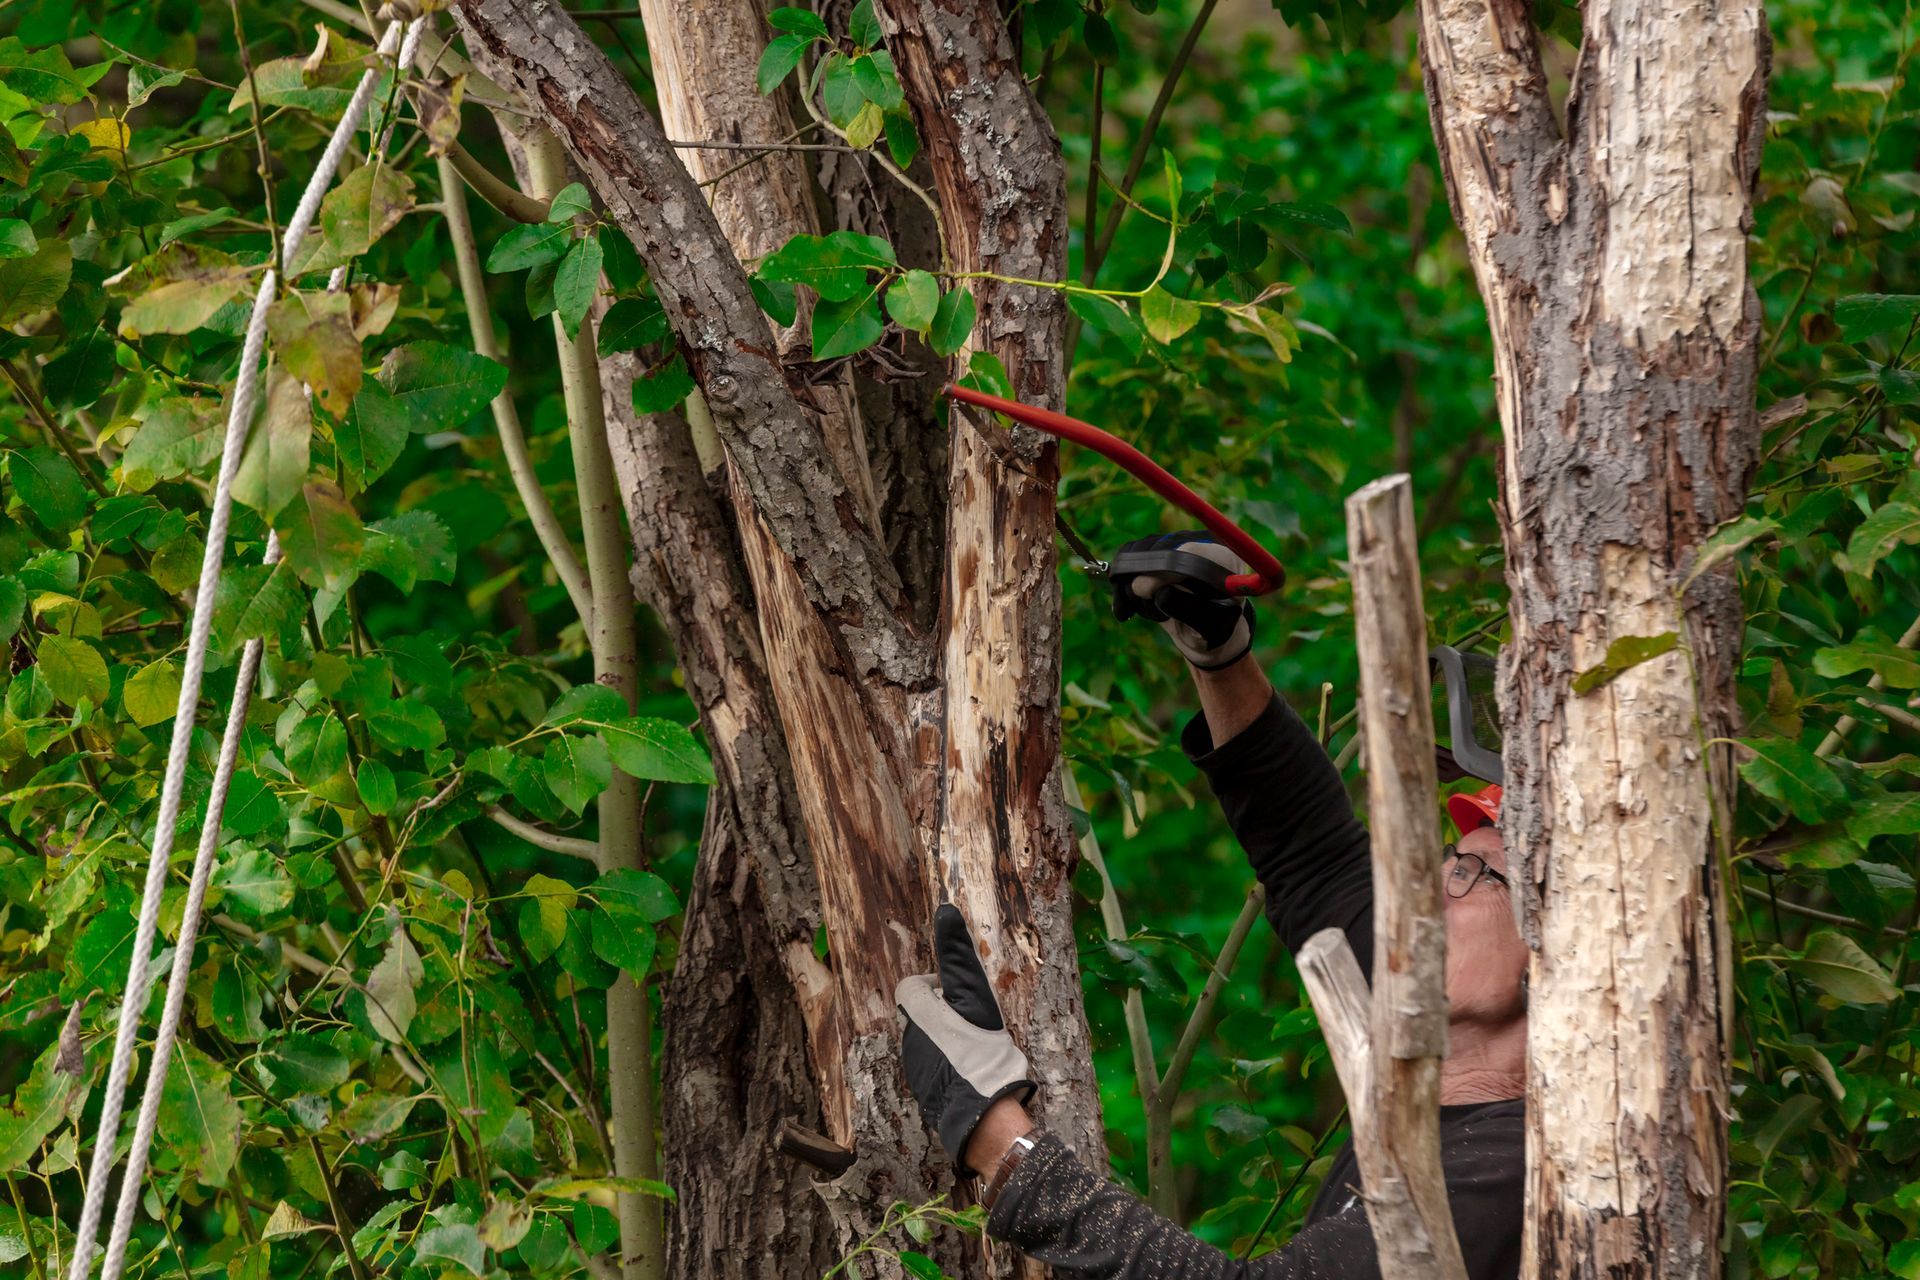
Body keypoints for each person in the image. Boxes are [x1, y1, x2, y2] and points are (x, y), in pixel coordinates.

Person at [895, 534, 1528, 1279]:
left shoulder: (1510, 1169)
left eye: (1474, 874)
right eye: (1446, 860)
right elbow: (1312, 852)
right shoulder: (1445, 1027)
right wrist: (1218, 651)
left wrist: (1000, 1141)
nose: (1429, 890)